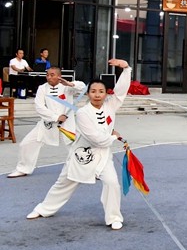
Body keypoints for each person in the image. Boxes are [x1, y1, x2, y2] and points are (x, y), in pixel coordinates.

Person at [26, 59, 131, 230]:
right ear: (88, 94)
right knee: (63, 184)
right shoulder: (82, 113)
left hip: (103, 156)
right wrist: (113, 136)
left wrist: (126, 68)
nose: (97, 95)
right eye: (93, 91)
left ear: (106, 94)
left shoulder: (110, 106)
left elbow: (120, 92)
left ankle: (113, 217)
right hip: (81, 155)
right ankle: (43, 209)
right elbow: (96, 138)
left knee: (112, 183)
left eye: (101, 91)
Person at [7, 67, 86, 178]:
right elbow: (39, 107)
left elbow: (83, 87)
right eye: (47, 75)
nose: (49, 77)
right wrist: (55, 117)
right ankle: (23, 169)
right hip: (47, 125)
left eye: (52, 75)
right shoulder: (42, 88)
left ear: (59, 76)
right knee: (26, 144)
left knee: (78, 148)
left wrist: (70, 84)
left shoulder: (67, 88)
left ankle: (91, 171)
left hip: (67, 126)